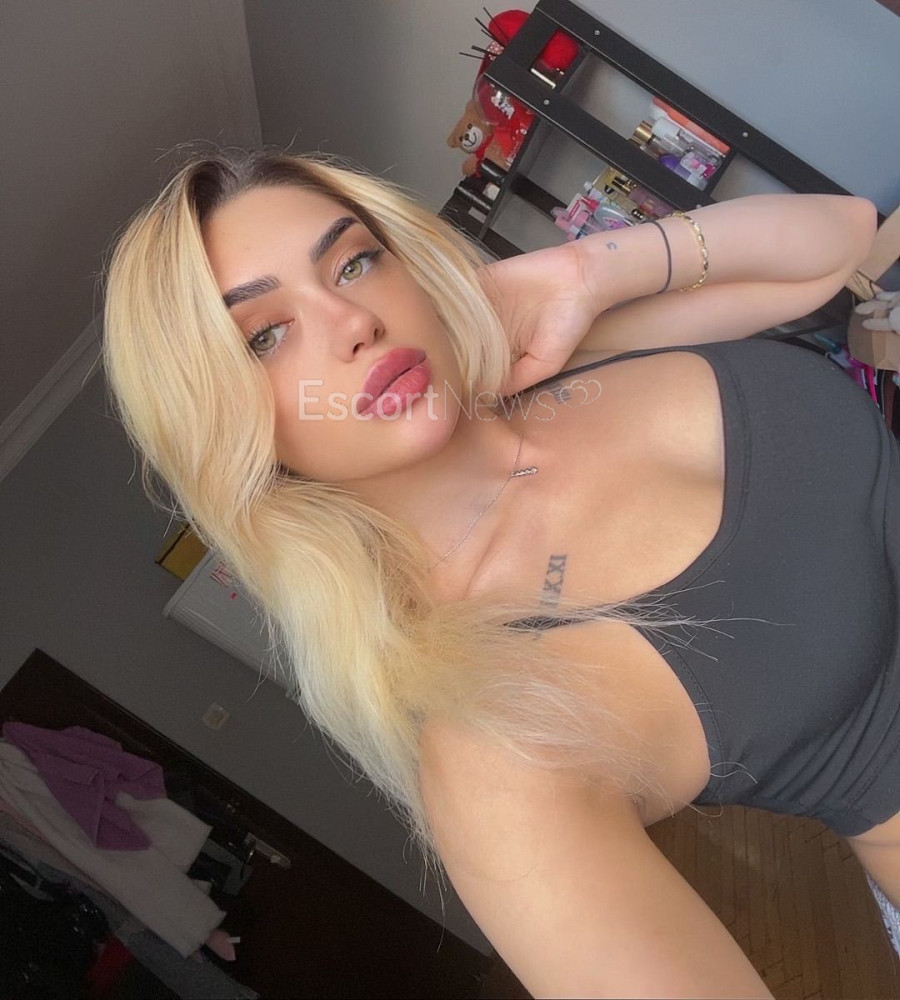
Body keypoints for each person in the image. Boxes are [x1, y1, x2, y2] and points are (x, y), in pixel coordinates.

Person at [102, 146, 886, 998]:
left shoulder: (563, 358)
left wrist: (582, 269)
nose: (353, 320)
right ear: (228, 432)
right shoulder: (495, 736)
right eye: (265, 335)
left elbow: (839, 238)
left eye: (355, 262)